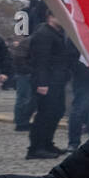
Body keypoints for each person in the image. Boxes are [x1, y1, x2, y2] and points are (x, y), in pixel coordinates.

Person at [26, 13, 77, 159]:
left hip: (56, 79)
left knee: (56, 112)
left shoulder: (56, 33)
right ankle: (36, 148)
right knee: (45, 114)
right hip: (48, 81)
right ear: (50, 17)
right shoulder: (43, 34)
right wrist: (42, 82)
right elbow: (40, 60)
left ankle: (47, 143)